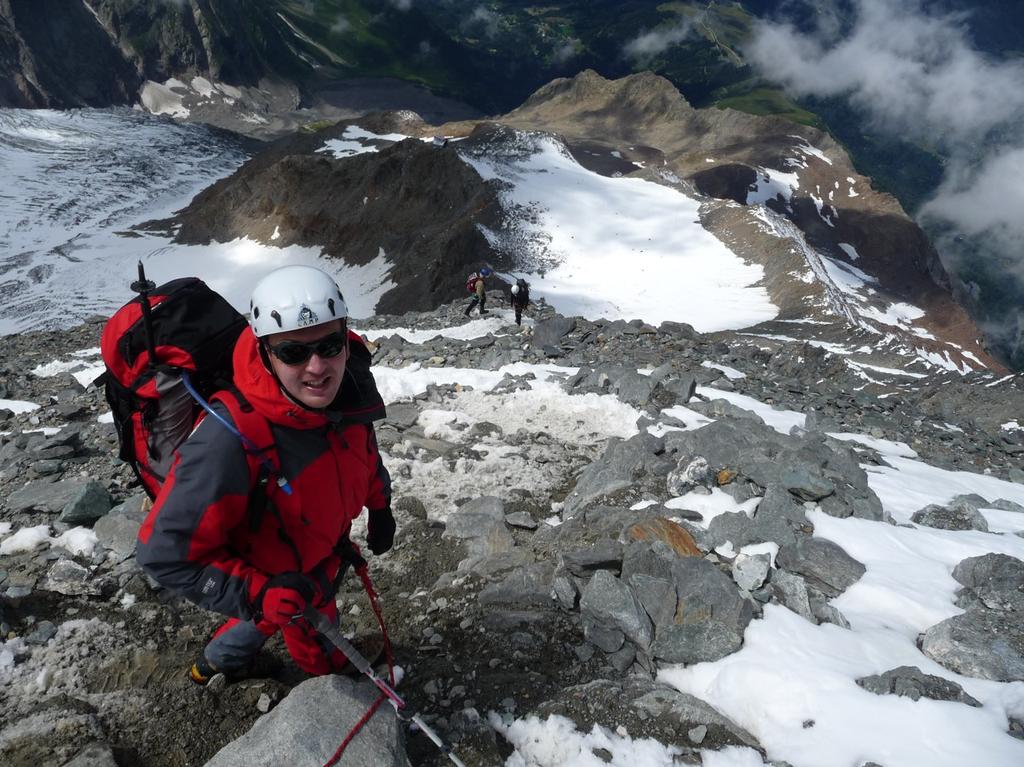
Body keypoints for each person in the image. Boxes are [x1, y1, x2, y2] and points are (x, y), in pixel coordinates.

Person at [136, 265, 393, 684]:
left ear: (346, 338)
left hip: (317, 553)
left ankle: (215, 663)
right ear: (265, 353)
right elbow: (162, 553)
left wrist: (380, 506)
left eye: (330, 344)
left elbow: (362, 451)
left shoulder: (349, 389)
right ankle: (328, 682)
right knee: (303, 621)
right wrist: (258, 593)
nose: (317, 367)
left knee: (264, 617)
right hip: (280, 577)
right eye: (293, 351)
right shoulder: (229, 438)